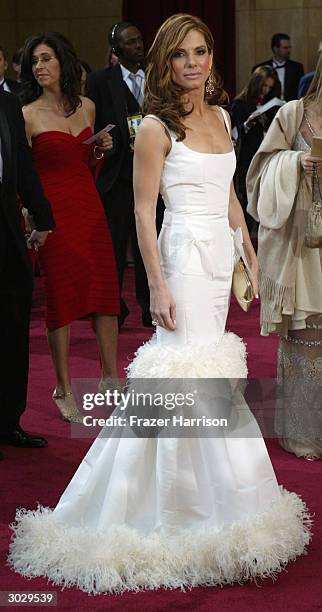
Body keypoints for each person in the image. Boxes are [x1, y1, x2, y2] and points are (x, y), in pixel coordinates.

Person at [8, 14, 311, 593]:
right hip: (180, 256)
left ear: (210, 56)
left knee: (209, 367)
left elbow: (228, 194)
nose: (193, 63)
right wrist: (158, 286)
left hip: (219, 254)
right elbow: (144, 214)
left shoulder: (223, 117)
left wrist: (249, 251)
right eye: (181, 55)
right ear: (165, 63)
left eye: (201, 52)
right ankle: (173, 508)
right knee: (183, 370)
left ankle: (216, 495)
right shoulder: (154, 127)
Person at [19, 32, 120, 422]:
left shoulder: (88, 107)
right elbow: (24, 174)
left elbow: (85, 163)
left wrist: (99, 150)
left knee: (104, 289)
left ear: (62, 61)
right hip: (53, 215)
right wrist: (30, 214)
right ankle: (63, 386)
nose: (40, 67)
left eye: (46, 59)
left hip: (89, 207)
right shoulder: (26, 114)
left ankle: (109, 376)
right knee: (61, 296)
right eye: (34, 62)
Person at [247, 49, 322, 460]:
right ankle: (305, 431)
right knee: (308, 335)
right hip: (303, 242)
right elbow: (259, 172)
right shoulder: (294, 113)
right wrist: (298, 163)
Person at [86, 21, 164, 328]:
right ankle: (112, 309)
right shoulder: (99, 81)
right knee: (115, 248)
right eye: (130, 42)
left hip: (154, 174)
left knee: (151, 243)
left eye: (139, 40)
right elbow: (94, 125)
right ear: (116, 50)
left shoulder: (157, 78)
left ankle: (150, 306)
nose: (138, 46)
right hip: (118, 177)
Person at [0, 90, 54, 452]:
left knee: (12, 327)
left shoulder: (7, 105)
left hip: (6, 231)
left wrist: (42, 215)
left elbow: (22, 163)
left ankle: (8, 422)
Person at [231, 65, 281, 230]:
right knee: (246, 196)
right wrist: (247, 124)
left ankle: (257, 231)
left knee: (263, 196)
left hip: (264, 153)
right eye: (263, 86)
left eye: (269, 87)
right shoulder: (240, 103)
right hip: (246, 154)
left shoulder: (268, 103)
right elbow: (234, 133)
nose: (265, 90)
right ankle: (244, 234)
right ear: (256, 83)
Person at [253, 33, 304, 101]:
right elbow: (254, 92)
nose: (288, 50)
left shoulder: (297, 67)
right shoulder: (260, 68)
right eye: (285, 48)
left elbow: (301, 91)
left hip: (290, 107)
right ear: (275, 49)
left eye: (289, 47)